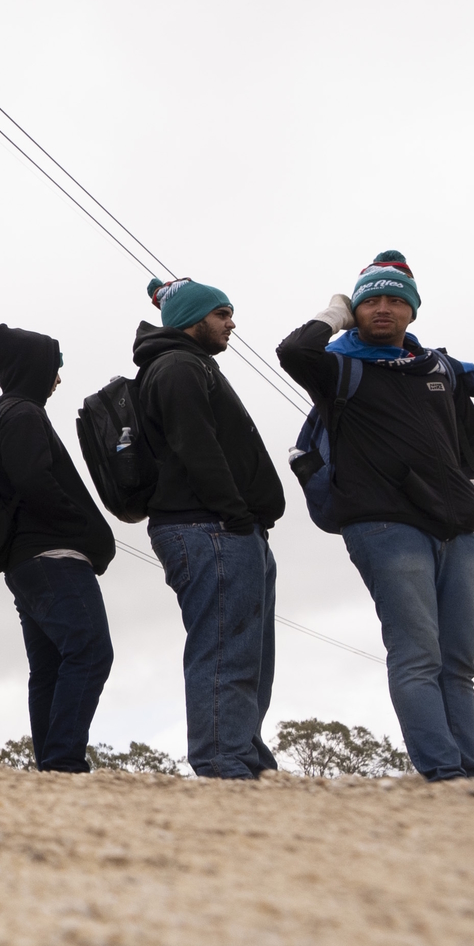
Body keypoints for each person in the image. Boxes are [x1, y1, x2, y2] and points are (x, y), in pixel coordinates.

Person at [276, 254, 474, 781]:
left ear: (412, 311)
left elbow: (470, 438)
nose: (384, 309)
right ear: (357, 309)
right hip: (383, 525)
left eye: (395, 300)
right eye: (371, 300)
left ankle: (472, 775)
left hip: (455, 528)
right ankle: (444, 774)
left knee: (459, 660)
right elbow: (293, 351)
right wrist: (335, 314)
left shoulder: (439, 369)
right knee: (418, 654)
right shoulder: (341, 367)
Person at [135, 277, 287, 778]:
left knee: (249, 656)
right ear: (192, 319)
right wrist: (235, 514)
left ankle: (242, 756)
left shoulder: (190, 364)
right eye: (222, 314)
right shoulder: (178, 366)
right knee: (226, 652)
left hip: (224, 529)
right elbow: (194, 445)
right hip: (210, 529)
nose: (231, 323)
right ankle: (224, 763)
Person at [0, 325, 118, 772]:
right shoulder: (22, 414)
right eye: (53, 368)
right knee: (90, 650)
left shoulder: (9, 413)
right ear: (34, 367)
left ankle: (51, 766)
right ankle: (62, 761)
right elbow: (34, 482)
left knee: (49, 666)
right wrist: (82, 527)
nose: (57, 379)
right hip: (53, 558)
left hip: (26, 561)